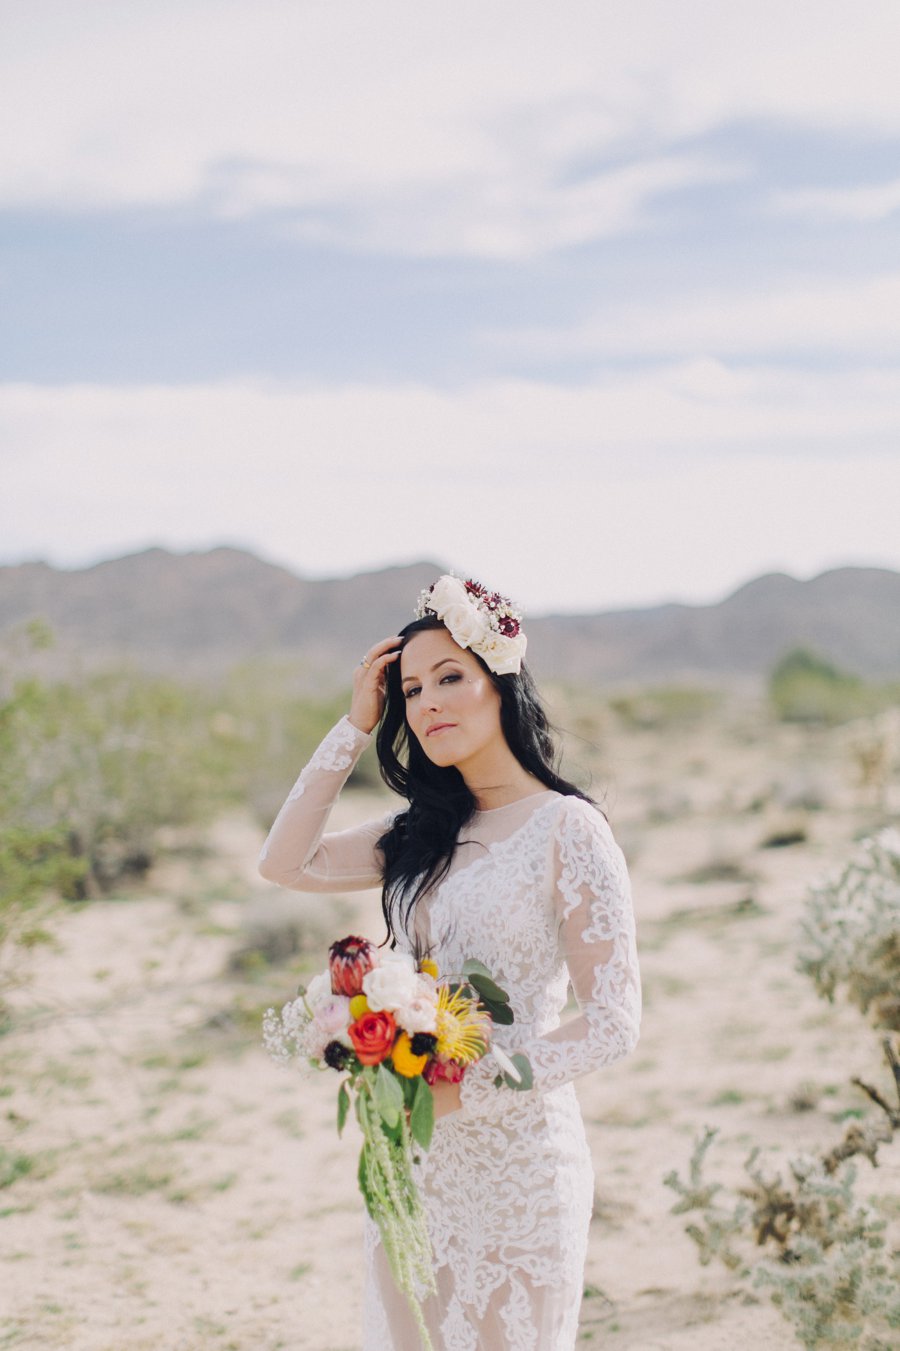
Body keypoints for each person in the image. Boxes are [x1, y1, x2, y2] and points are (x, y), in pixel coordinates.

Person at [259, 574, 641, 1351]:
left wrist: (476, 1085)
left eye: (449, 677)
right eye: (409, 688)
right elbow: (284, 861)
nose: (427, 700)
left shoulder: (569, 828)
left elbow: (613, 1022)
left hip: (520, 1166)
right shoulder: (418, 831)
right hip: (414, 1160)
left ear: (501, 684)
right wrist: (353, 725)